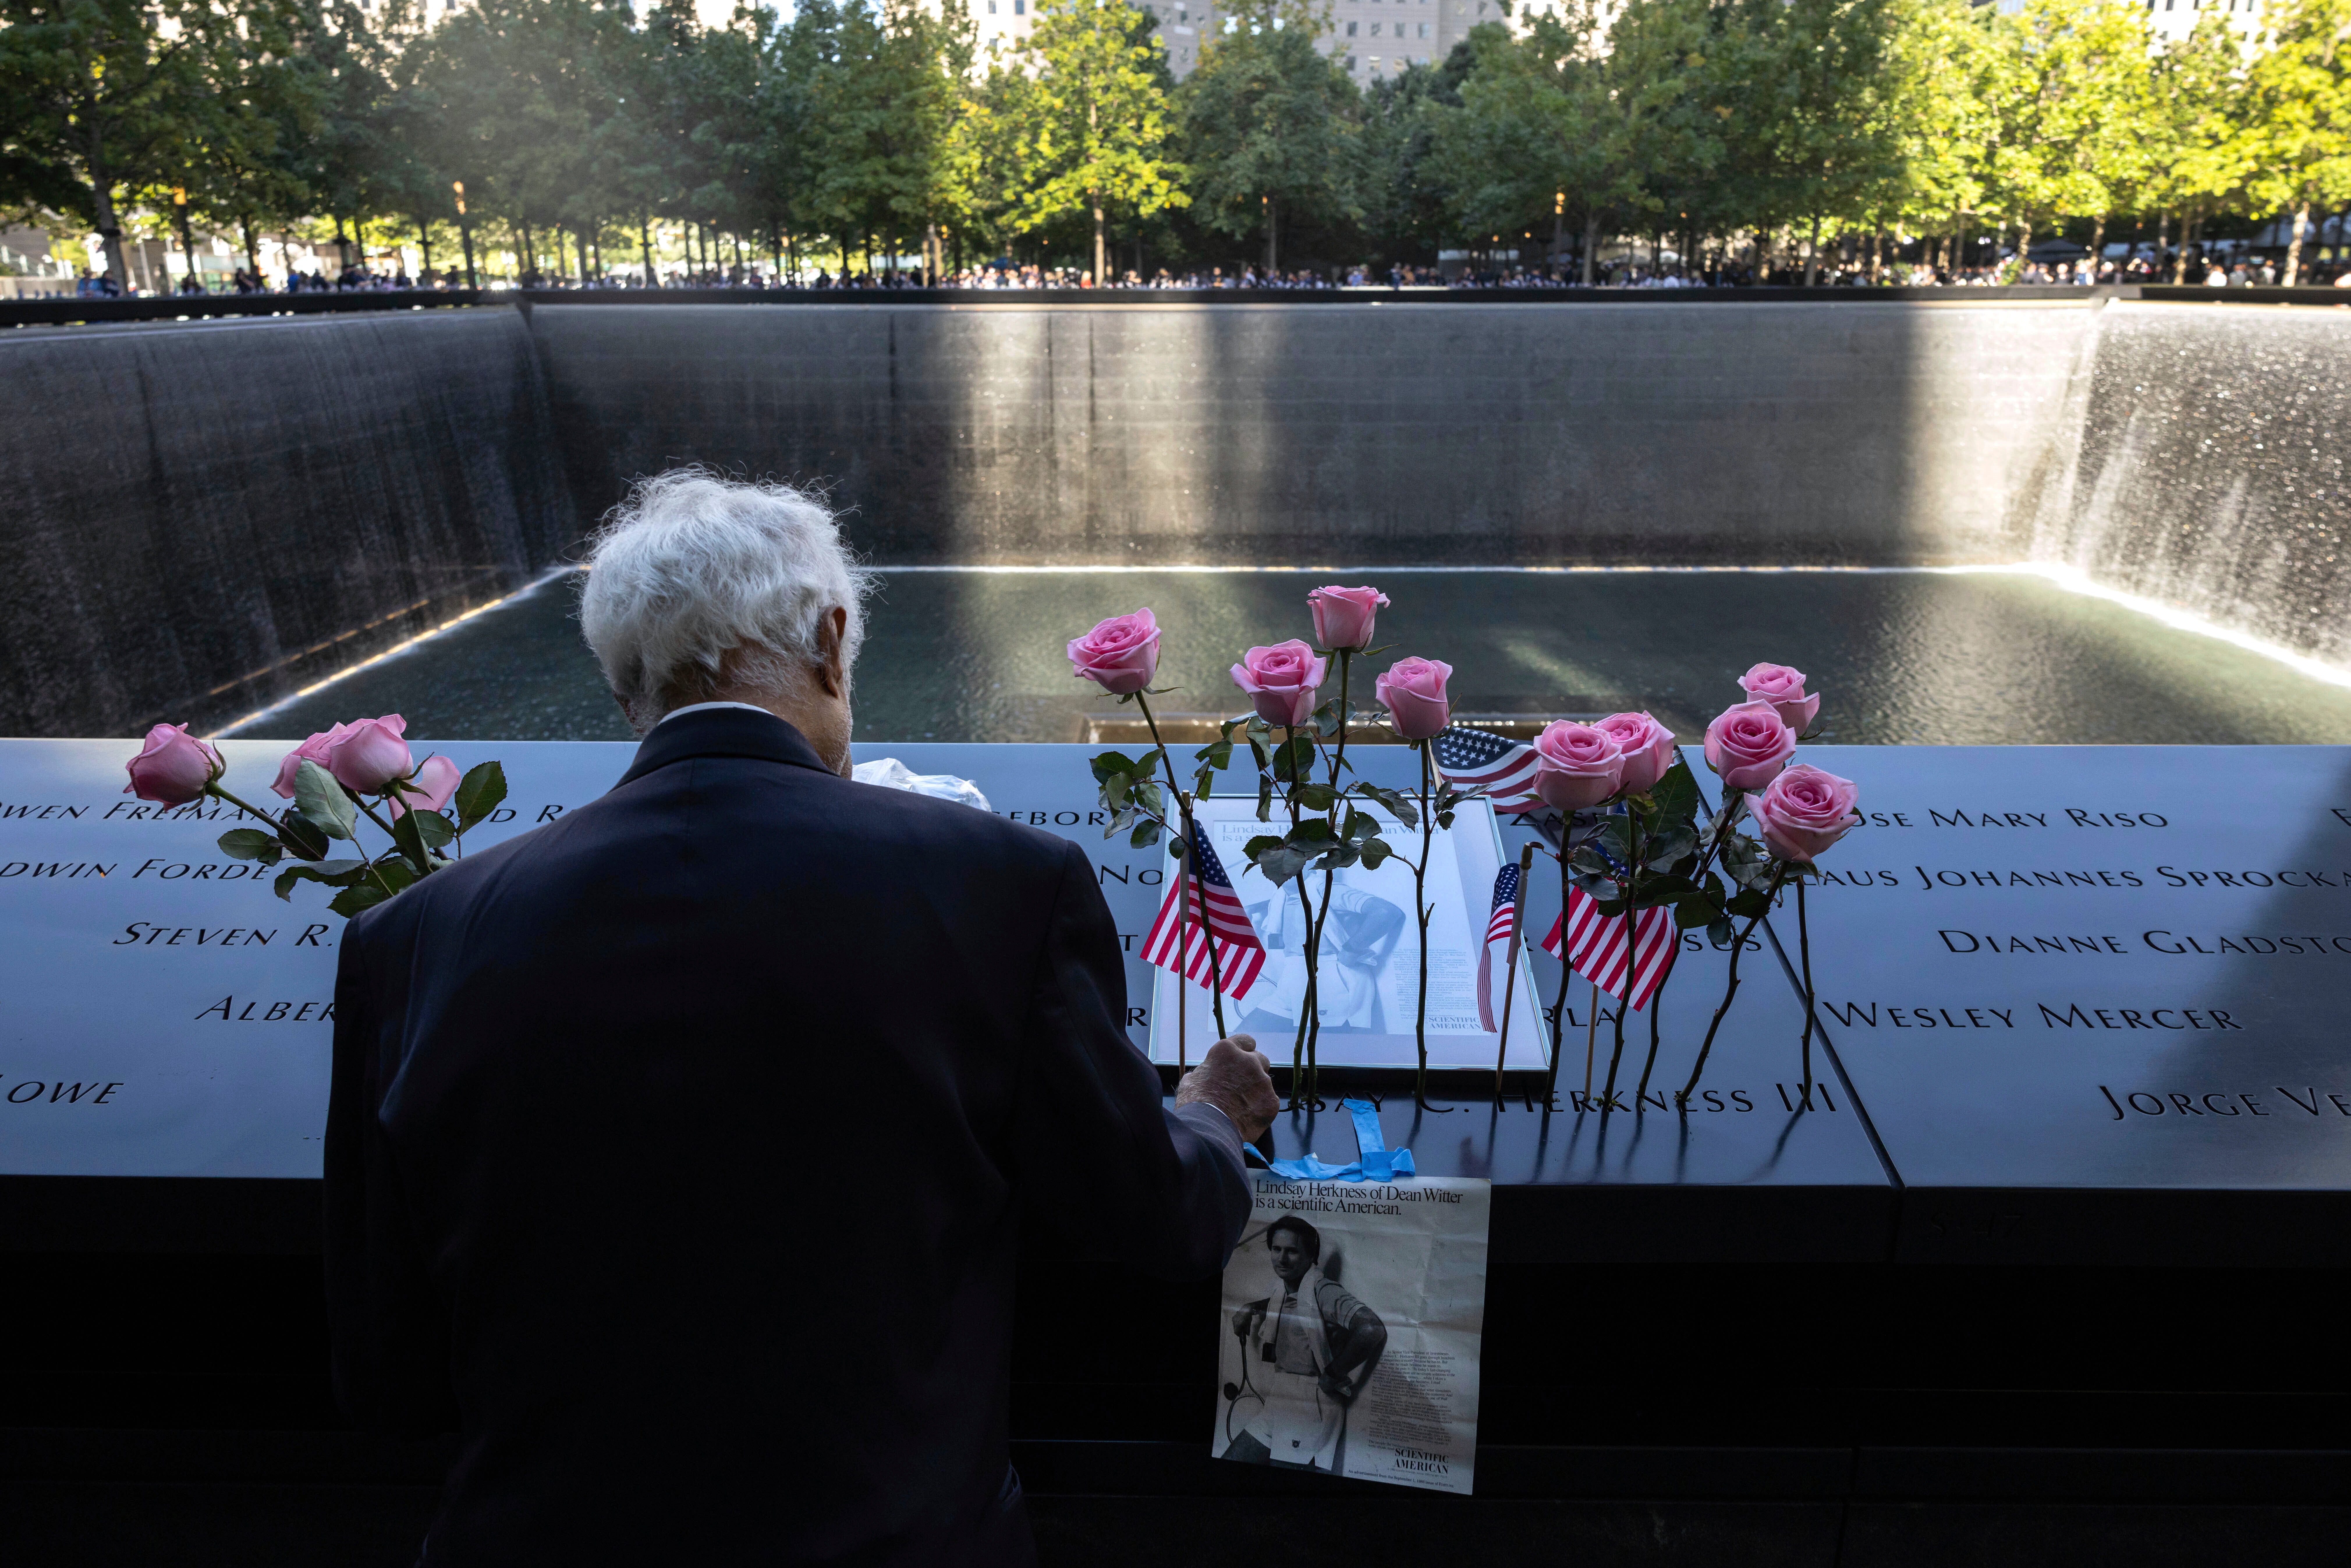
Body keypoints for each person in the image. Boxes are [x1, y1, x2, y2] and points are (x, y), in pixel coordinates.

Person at [325, 469, 1279, 1567]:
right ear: (831, 642)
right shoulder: (1003, 886)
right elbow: (1155, 1215)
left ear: (625, 683)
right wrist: (1209, 1116)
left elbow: (384, 1375)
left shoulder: (411, 936)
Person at [1221, 1217, 1388, 1469]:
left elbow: (1372, 1329)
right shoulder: (1288, 1291)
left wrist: (1333, 1373)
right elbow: (1294, 1305)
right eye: (1277, 1250)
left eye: (1292, 1251)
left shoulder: (1323, 1290)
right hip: (1282, 1398)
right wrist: (1251, 1307)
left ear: (1312, 1256)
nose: (1282, 1259)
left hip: (1311, 1403)